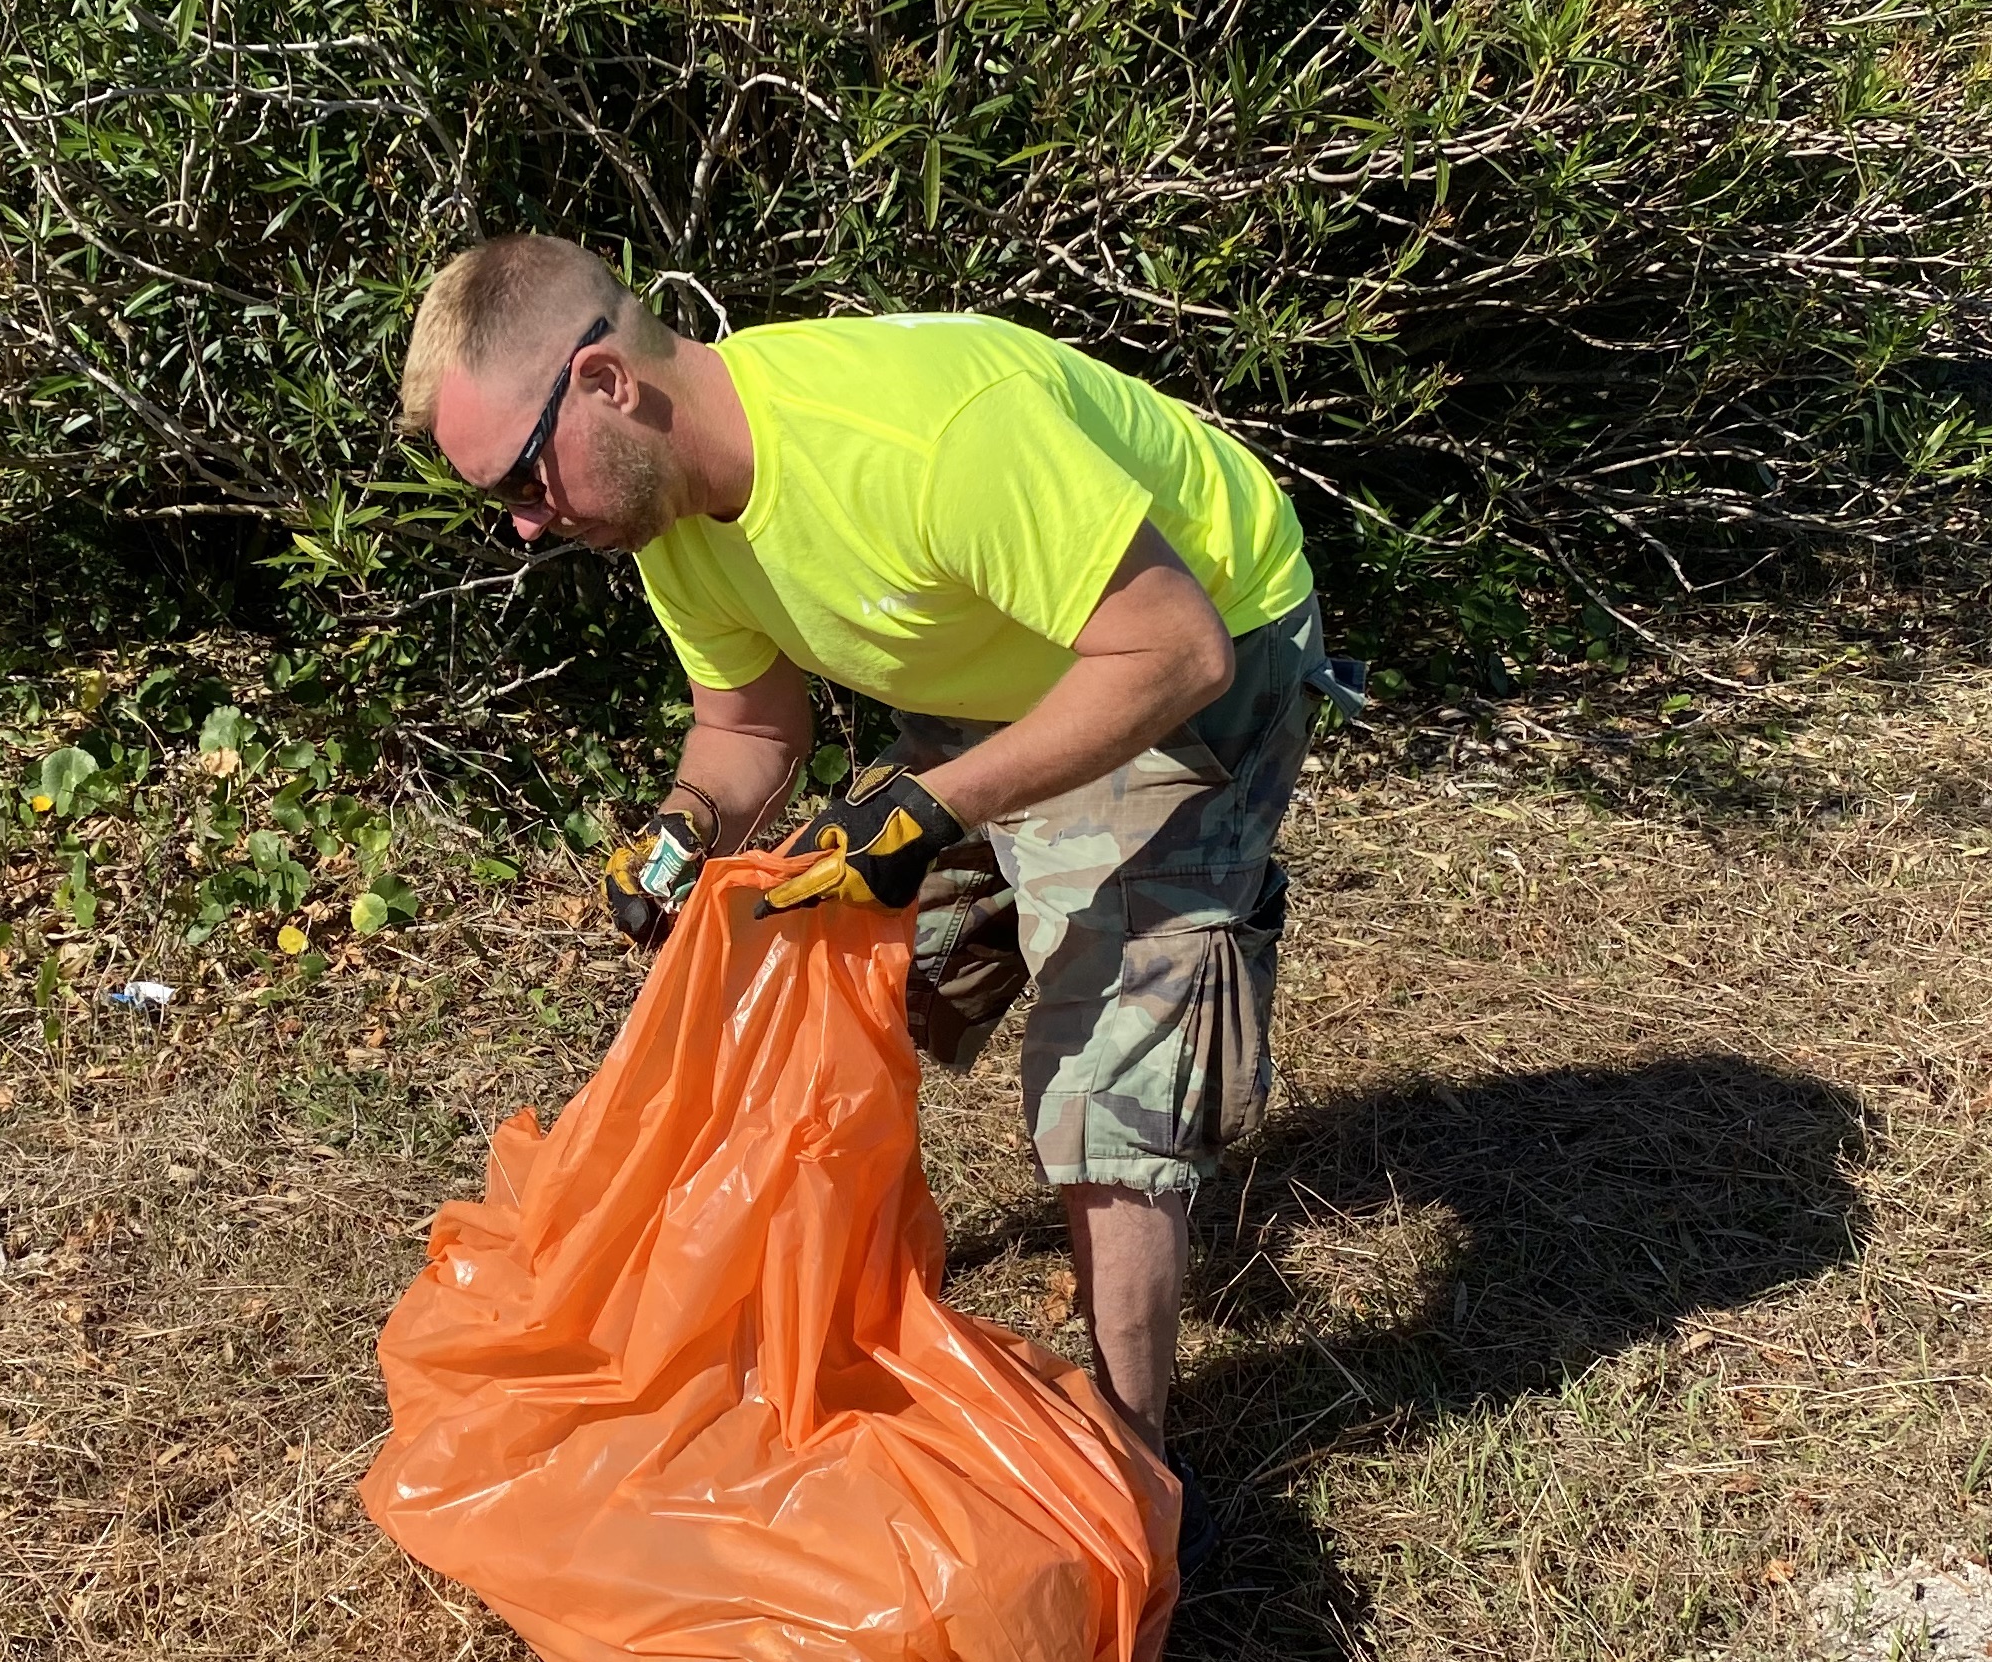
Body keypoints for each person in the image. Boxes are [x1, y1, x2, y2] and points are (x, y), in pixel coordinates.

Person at [401, 231, 1354, 1461]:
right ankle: (819, 1328)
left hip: (1190, 652)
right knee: (812, 975)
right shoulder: (668, 510)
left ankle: (1132, 1471)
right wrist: (683, 837)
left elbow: (1173, 652)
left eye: (522, 482)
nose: (526, 526)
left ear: (605, 385)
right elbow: (747, 727)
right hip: (1000, 663)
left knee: (1106, 1075)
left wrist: (938, 807)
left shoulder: (928, 438)